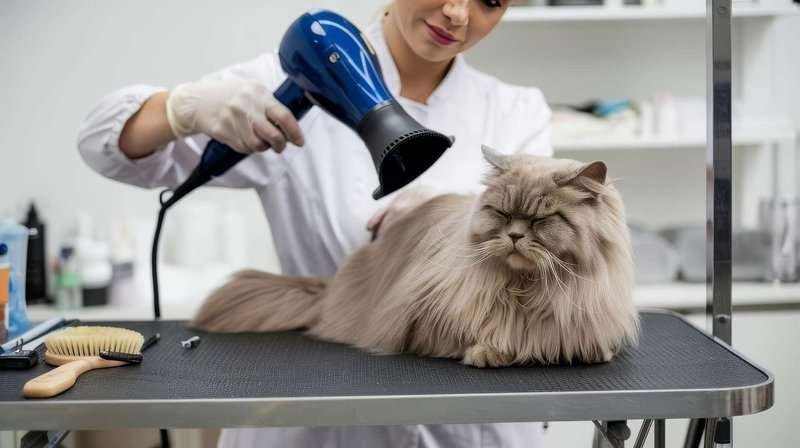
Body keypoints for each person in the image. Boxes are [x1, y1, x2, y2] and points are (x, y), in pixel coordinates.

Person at [78, 0, 552, 446]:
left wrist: (449, 222)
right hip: (317, 404)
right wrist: (182, 108)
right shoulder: (304, 75)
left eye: (490, 0)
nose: (456, 13)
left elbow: (540, 270)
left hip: (464, 421)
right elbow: (103, 145)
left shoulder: (515, 112)